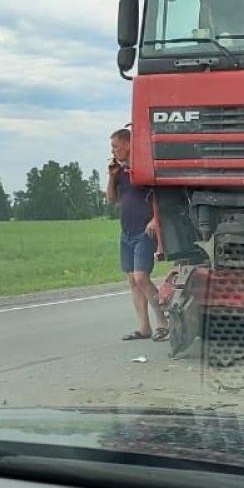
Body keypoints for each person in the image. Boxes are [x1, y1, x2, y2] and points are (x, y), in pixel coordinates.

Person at [106, 126, 169, 342]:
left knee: (142, 277)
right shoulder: (121, 173)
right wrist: (112, 177)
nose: (113, 151)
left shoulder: (143, 170)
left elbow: (158, 197)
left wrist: (155, 219)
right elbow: (111, 199)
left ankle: (163, 322)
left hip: (144, 231)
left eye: (115, 146)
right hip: (127, 232)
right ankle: (144, 328)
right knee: (132, 280)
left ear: (127, 144)